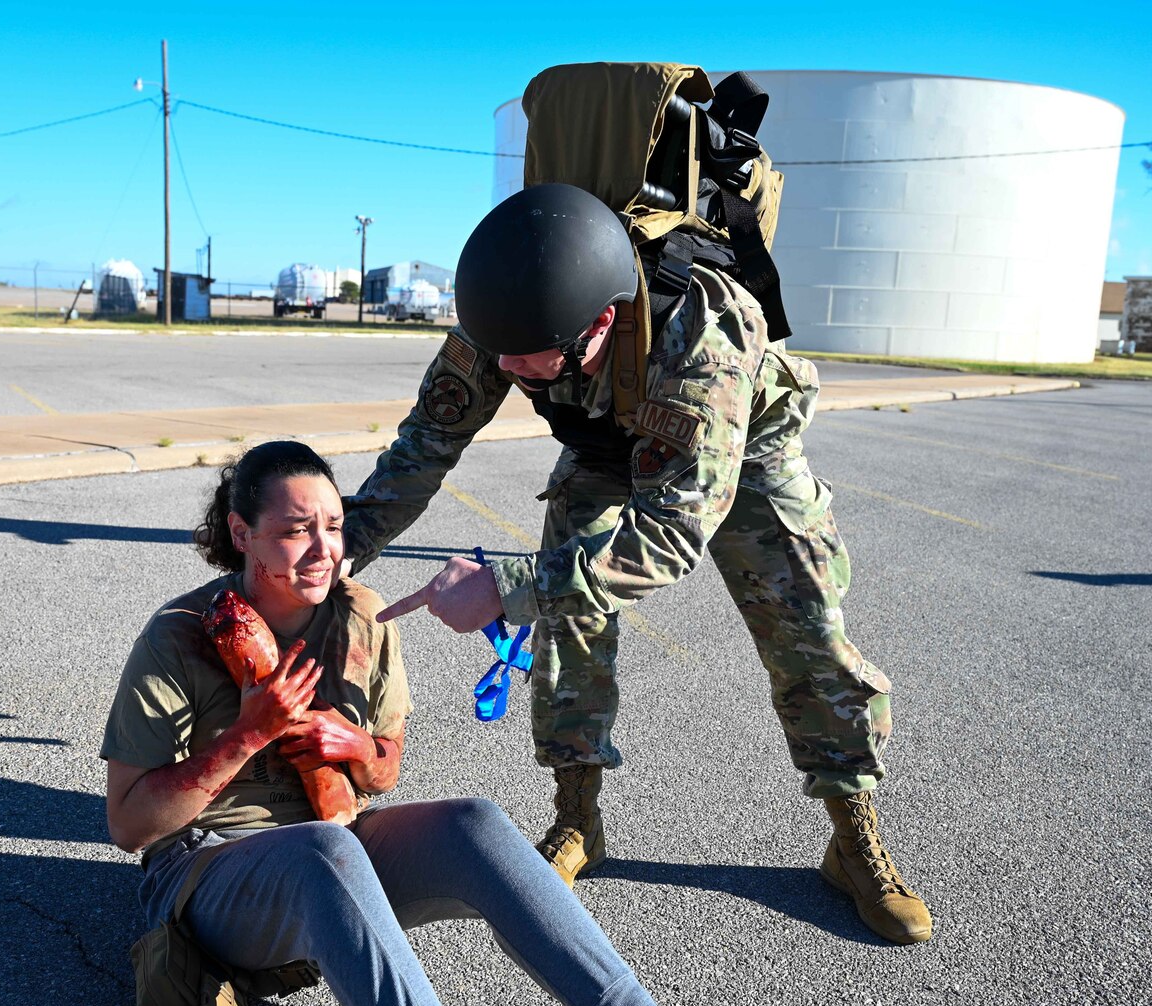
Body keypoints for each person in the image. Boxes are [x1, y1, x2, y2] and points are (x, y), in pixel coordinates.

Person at [102, 440, 813, 1006]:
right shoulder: (181, 633)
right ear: (241, 533)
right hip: (207, 874)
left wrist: (355, 748)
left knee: (473, 822)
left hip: (330, 855)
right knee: (322, 849)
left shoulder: (359, 617)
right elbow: (132, 826)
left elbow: (385, 771)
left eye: (332, 526)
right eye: (294, 531)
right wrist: (245, 736)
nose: (323, 549)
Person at [343, 183, 933, 946]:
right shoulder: (504, 321)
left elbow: (670, 534)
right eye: (505, 361)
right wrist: (328, 549)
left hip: (740, 453)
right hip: (603, 450)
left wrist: (506, 587)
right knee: (570, 625)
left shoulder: (704, 335)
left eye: (537, 362)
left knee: (809, 638)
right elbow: (423, 448)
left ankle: (851, 839)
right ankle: (576, 816)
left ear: (601, 320)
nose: (519, 375)